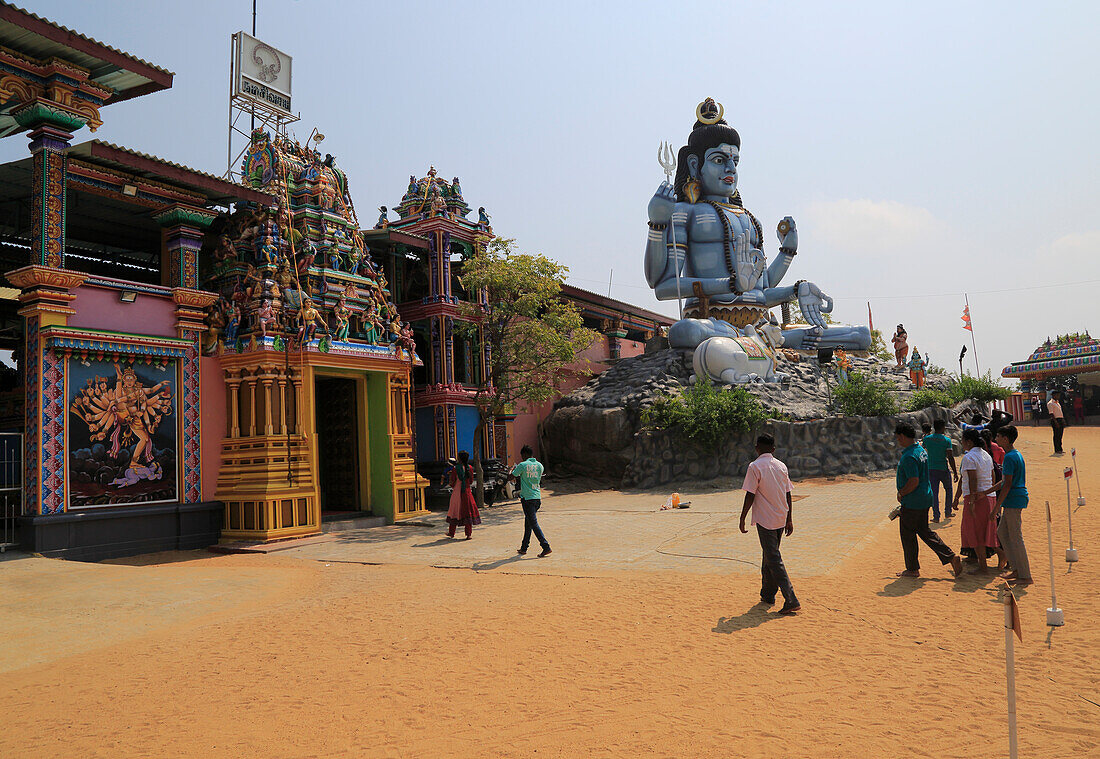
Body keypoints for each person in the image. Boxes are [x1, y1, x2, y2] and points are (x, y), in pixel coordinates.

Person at [739, 434, 800, 614]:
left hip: (765, 519)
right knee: (769, 556)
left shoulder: (754, 466)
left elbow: (750, 493)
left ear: (757, 448)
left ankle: (791, 598)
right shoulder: (781, 466)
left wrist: (742, 517)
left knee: (773, 558)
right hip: (781, 516)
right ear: (773, 449)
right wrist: (789, 518)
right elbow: (788, 493)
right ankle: (767, 594)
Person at [894, 422, 963, 578]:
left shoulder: (909, 456)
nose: (898, 441)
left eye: (898, 437)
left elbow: (913, 481)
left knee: (908, 535)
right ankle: (951, 557)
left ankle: (912, 568)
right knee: (925, 532)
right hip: (924, 498)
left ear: (903, 436)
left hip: (913, 501)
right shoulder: (920, 450)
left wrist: (901, 493)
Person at [987, 425, 1033, 586]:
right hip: (1013, 499)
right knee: (1003, 532)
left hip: (1014, 500)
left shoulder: (1010, 457)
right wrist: (988, 490)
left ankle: (1025, 575)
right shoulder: (1014, 454)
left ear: (1005, 439)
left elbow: (1007, 485)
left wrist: (995, 507)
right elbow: (1004, 482)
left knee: (1016, 537)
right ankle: (1016, 568)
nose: (996, 438)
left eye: (998, 436)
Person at [953, 429, 999, 573]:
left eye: (963, 440)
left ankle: (983, 566)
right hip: (988, 497)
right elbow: (992, 477)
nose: (961, 443)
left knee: (975, 532)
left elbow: (972, 479)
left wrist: (972, 501)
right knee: (987, 531)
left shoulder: (969, 457)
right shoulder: (986, 454)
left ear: (969, 442)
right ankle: (1001, 557)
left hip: (976, 498)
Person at [511, 445, 551, 557]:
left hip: (527, 499)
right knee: (528, 523)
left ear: (524, 454)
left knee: (533, 524)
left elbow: (511, 477)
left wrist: (512, 471)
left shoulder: (522, 465)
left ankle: (545, 546)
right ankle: (524, 547)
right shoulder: (540, 465)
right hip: (537, 497)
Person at [920, 419, 958, 521]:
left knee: (934, 493)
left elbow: (922, 453)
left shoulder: (927, 439)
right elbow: (950, 457)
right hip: (943, 469)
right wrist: (955, 472)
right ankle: (948, 512)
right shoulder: (947, 440)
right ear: (943, 427)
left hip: (931, 469)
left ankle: (936, 516)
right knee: (948, 490)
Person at [445, 450, 481, 539]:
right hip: (467, 492)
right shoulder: (470, 468)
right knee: (468, 511)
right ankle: (468, 534)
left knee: (454, 511)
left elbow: (452, 482)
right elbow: (471, 481)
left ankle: (451, 532)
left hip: (457, 492)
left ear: (459, 458)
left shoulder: (455, 468)